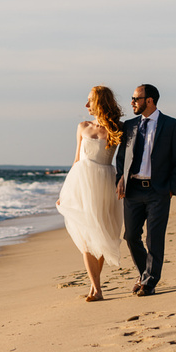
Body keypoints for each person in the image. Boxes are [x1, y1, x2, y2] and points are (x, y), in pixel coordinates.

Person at [116, 84, 176, 297]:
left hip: (158, 191)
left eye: (136, 98)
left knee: (154, 238)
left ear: (150, 100)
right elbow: (122, 158)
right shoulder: (129, 125)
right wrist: (120, 179)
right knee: (130, 236)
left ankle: (149, 282)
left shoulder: (172, 125)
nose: (132, 102)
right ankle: (143, 273)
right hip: (133, 190)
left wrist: (172, 189)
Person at [56, 85, 124, 302]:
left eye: (90, 101)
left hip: (104, 184)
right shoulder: (82, 126)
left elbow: (127, 159)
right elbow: (76, 160)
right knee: (86, 237)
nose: (86, 105)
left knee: (101, 235)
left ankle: (96, 286)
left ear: (101, 102)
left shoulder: (118, 128)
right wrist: (65, 192)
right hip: (81, 184)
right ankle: (97, 288)